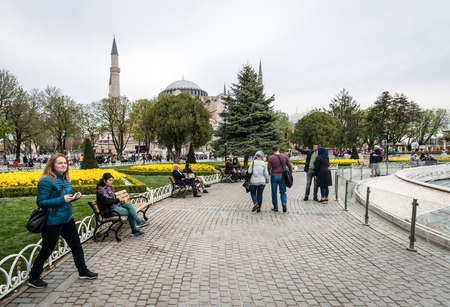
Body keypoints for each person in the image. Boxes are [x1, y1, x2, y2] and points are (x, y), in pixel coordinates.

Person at [28, 153, 97, 289]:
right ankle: (33, 277)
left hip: (67, 218)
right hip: (52, 222)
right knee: (47, 250)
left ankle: (83, 271)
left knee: (76, 245)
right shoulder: (46, 181)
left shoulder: (66, 179)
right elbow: (41, 202)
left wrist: (74, 197)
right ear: (52, 165)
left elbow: (65, 197)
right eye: (60, 163)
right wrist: (62, 199)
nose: (63, 165)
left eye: (65, 163)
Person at [268, 145, 293, 213]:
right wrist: (290, 173)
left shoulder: (271, 158)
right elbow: (289, 166)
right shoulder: (284, 156)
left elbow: (269, 168)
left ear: (272, 150)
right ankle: (284, 204)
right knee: (283, 192)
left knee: (274, 192)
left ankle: (275, 207)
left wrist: (270, 174)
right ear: (278, 149)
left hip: (274, 176)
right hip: (282, 176)